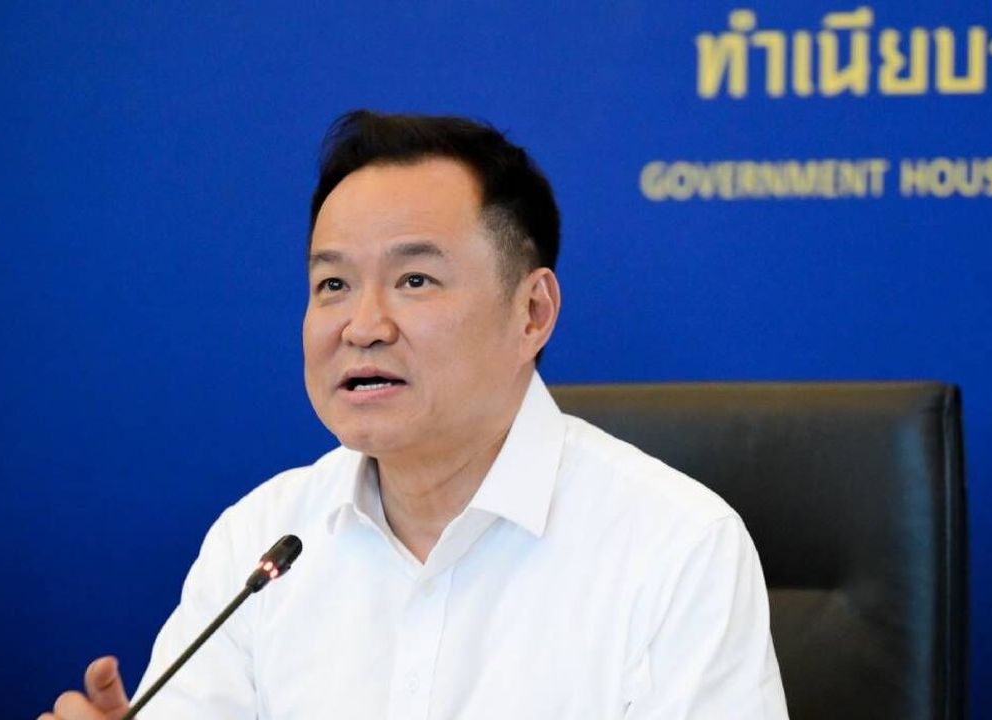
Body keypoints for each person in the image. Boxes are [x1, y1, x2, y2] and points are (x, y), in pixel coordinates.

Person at [42, 111, 788, 719]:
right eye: (333, 285)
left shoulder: (676, 549)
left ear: (532, 312)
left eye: (415, 280)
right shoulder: (261, 542)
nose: (362, 326)